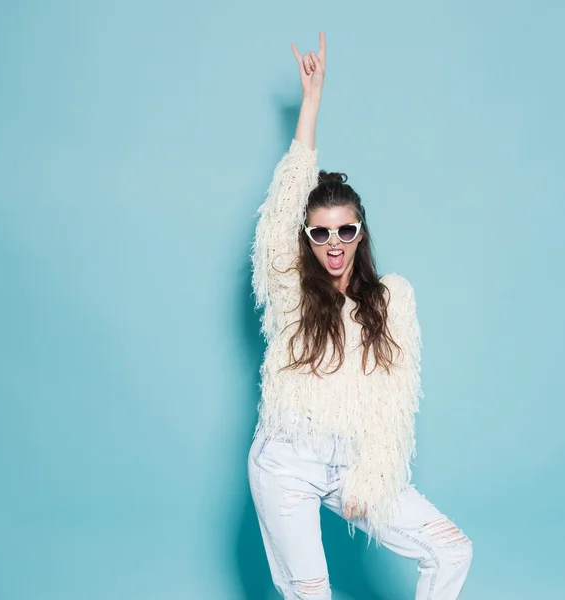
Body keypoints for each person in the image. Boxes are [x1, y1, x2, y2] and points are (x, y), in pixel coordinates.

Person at [247, 31, 473, 600]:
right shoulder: (292, 293)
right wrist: (311, 104)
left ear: (360, 232)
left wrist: (371, 474)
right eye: (320, 232)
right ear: (308, 237)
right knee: (313, 594)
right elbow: (278, 220)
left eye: (344, 229)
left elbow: (394, 400)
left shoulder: (392, 300)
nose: (333, 242)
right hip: (288, 461)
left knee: (451, 549)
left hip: (353, 464)